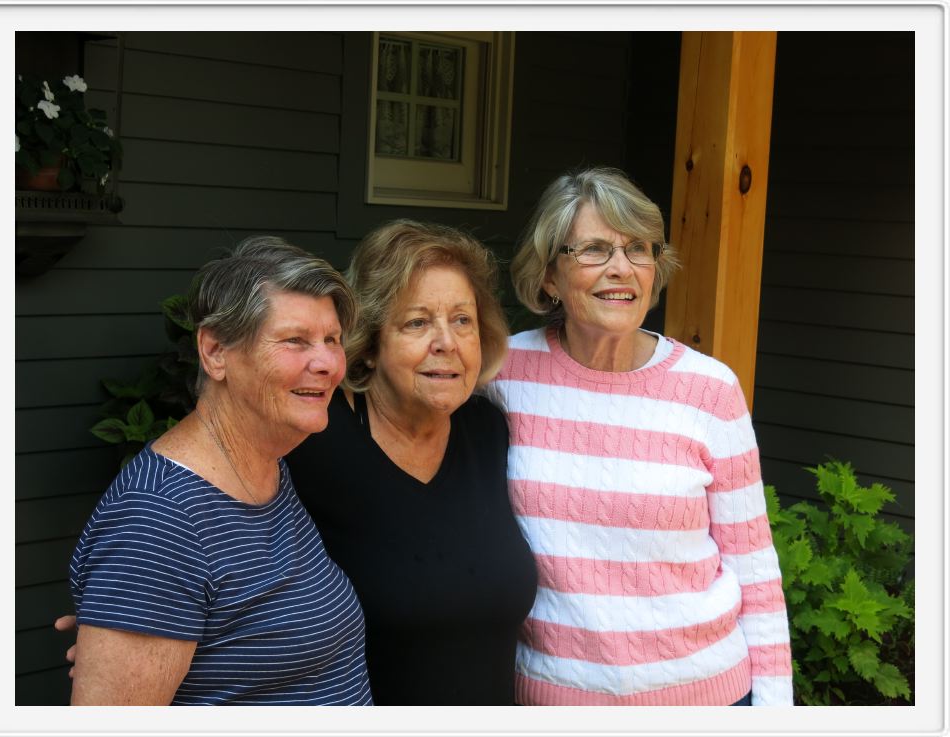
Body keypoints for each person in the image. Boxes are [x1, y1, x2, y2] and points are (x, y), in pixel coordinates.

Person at [485, 166, 793, 706]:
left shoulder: (709, 390)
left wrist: (774, 710)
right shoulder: (501, 375)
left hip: (707, 697)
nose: (621, 269)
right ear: (549, 275)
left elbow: (754, 570)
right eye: (595, 250)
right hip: (553, 699)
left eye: (637, 249)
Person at [65, 237, 373, 705]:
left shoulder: (266, 468)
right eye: (295, 341)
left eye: (332, 340)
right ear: (214, 351)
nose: (329, 363)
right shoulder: (159, 521)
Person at [286, 220, 539, 705]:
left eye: (462, 320)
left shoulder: (489, 430)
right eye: (417, 322)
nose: (446, 341)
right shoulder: (314, 442)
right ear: (372, 341)